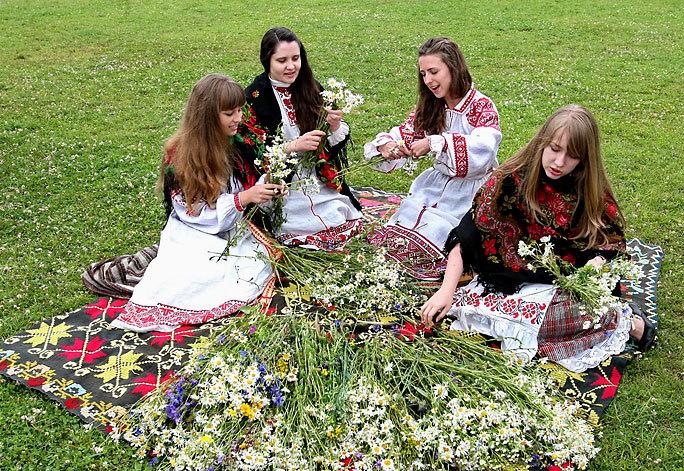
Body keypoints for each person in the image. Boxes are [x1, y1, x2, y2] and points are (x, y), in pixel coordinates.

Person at [419, 105, 657, 372]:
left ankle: (628, 322)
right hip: (505, 284)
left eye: (572, 155)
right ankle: (592, 322)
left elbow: (611, 245)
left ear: (585, 159)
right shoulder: (509, 181)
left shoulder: (590, 191)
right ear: (543, 142)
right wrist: (445, 291)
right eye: (555, 149)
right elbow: (466, 237)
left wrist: (594, 266)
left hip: (560, 292)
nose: (559, 162)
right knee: (470, 312)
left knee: (571, 314)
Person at [112, 74, 283, 332]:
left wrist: (266, 185)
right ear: (207, 116)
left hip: (233, 224)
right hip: (194, 228)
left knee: (248, 266)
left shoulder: (238, 142)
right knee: (195, 278)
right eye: (229, 113)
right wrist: (243, 198)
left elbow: (248, 181)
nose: (238, 118)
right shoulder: (181, 155)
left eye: (239, 110)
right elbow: (192, 213)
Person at [364, 37, 502, 280]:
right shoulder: (431, 106)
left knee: (443, 233)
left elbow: (483, 149)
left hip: (473, 189)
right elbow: (405, 134)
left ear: (453, 68)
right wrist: (387, 144)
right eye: (423, 73)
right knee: (404, 222)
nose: (428, 80)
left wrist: (436, 143)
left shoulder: (482, 107)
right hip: (437, 183)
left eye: (434, 71)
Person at [245, 27, 363, 251]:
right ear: (267, 60)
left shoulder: (310, 87)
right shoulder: (255, 97)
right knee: (292, 224)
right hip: (280, 180)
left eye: (295, 58)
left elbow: (329, 144)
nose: (291, 66)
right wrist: (292, 146)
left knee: (337, 213)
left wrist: (334, 126)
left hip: (314, 174)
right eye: (282, 60)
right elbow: (253, 149)